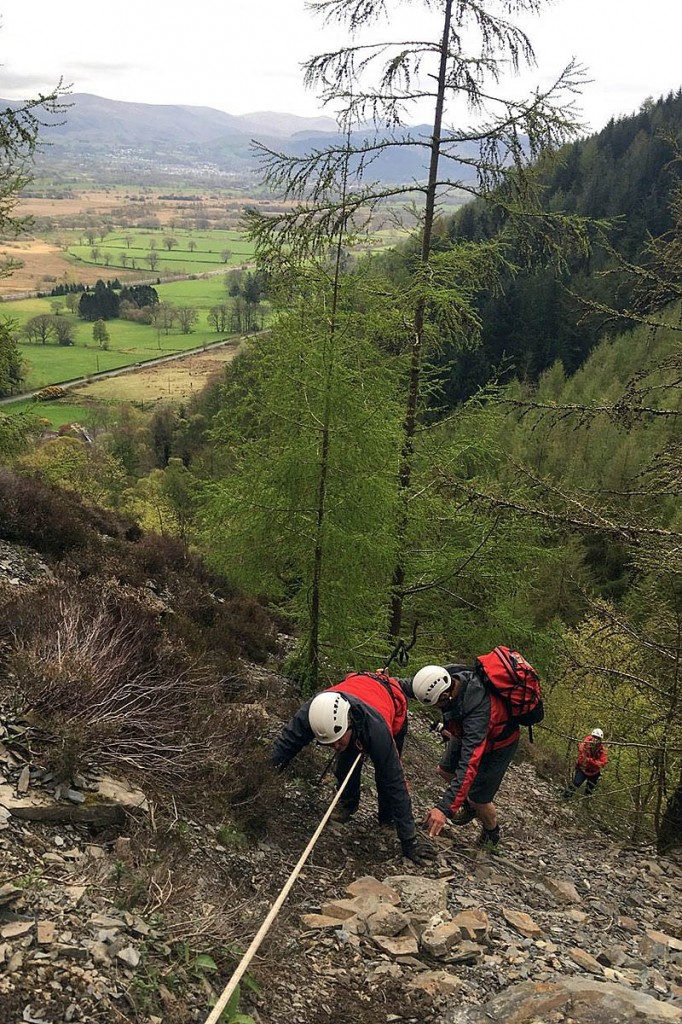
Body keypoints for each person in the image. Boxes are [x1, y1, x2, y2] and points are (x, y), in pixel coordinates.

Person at [271, 671, 436, 865]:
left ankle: (387, 818)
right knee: (345, 760)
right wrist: (261, 782)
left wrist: (409, 841)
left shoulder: (377, 730)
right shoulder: (312, 713)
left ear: (349, 724)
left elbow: (395, 780)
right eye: (329, 744)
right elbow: (285, 746)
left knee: (385, 774)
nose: (335, 747)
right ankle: (348, 804)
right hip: (356, 691)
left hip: (389, 702)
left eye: (337, 740)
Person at [402, 663, 519, 848]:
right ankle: (468, 805)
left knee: (478, 798)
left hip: (499, 743)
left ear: (446, 696)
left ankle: (491, 832)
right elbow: (412, 686)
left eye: (436, 704)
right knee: (444, 770)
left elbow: (468, 764)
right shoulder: (444, 677)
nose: (436, 708)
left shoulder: (477, 712)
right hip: (462, 730)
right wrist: (382, 681)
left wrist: (444, 809)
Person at [563, 728, 608, 798]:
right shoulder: (584, 745)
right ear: (592, 736)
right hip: (583, 769)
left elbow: (603, 763)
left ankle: (586, 802)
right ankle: (565, 797)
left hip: (594, 772)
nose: (595, 739)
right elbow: (582, 759)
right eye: (594, 737)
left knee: (589, 790)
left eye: (598, 738)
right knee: (576, 783)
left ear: (600, 740)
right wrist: (595, 762)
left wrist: (590, 761)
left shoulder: (602, 749)